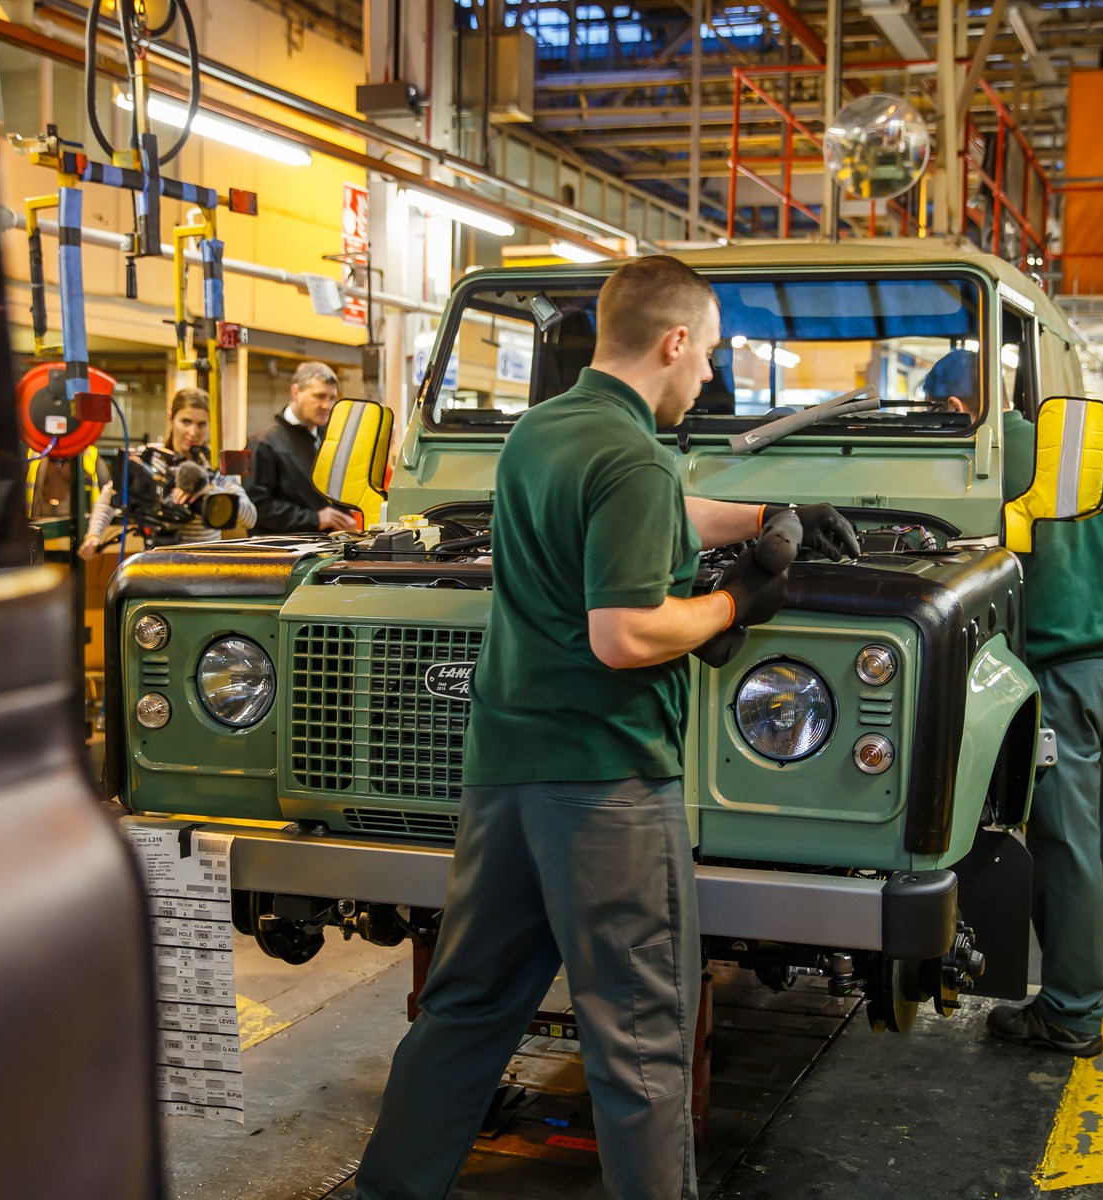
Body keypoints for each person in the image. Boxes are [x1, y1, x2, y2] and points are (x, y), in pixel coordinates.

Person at [352, 256, 860, 1200]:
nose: (708, 373)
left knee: (464, 1011)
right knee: (638, 1040)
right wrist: (738, 602)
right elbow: (627, 635)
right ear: (673, 343)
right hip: (607, 788)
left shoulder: (543, 431)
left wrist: (763, 514)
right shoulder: (634, 455)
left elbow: (635, 510)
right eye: (706, 353)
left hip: (506, 776)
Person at [984, 404, 1103, 1059]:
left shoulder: (988, 457)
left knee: (1063, 847)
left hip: (1065, 674)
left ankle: (1070, 1012)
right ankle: (1087, 981)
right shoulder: (1068, 446)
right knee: (1098, 844)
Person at [78, 387, 254, 557]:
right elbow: (111, 495)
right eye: (186, 422)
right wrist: (94, 535)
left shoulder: (216, 467)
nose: (193, 432)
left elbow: (250, 517)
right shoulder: (149, 458)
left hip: (204, 566)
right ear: (171, 418)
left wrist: (211, 492)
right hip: (156, 563)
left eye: (201, 424)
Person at [247, 361, 361, 534]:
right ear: (296, 392)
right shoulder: (264, 443)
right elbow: (257, 507)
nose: (327, 406)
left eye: (332, 398)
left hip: (326, 550)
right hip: (284, 554)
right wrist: (314, 519)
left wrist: (345, 518)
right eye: (319, 396)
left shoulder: (330, 439)